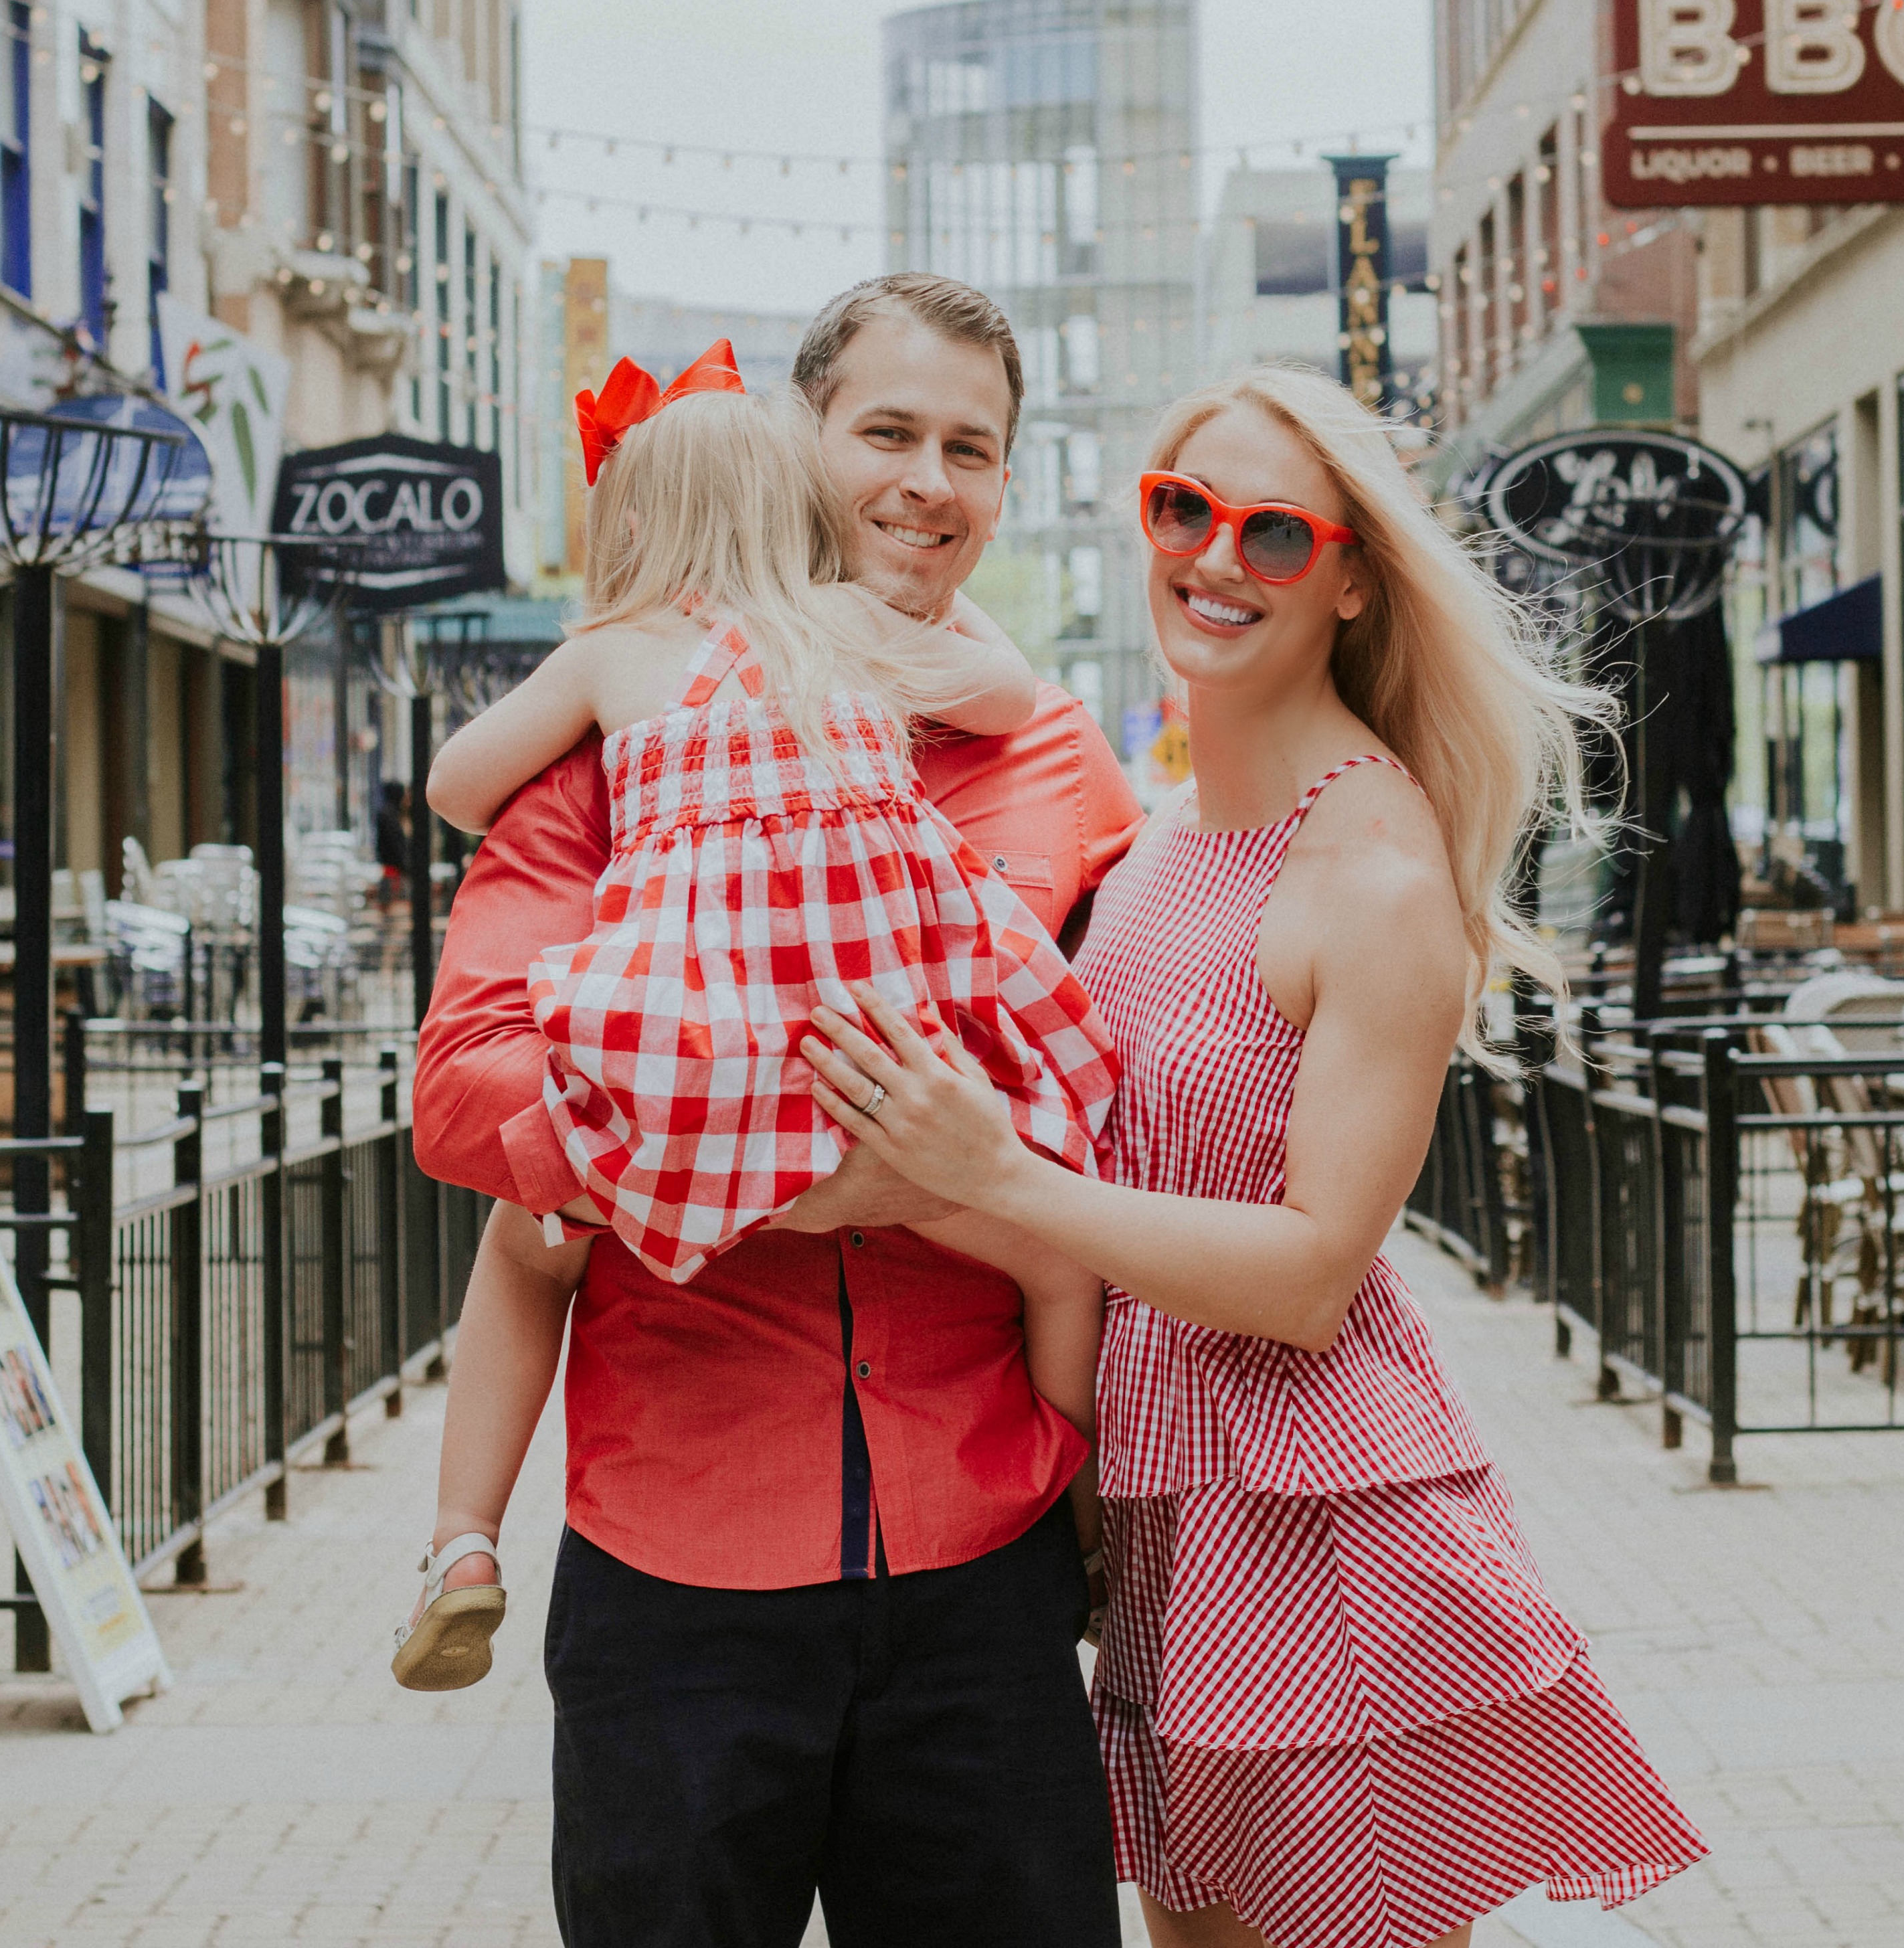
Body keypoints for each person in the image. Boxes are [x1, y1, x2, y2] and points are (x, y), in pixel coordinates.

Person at [802, 367, 1705, 1948]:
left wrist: (995, 1174)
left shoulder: (1372, 871)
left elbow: (1306, 1274)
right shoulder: (1158, 838)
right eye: (1182, 510)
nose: (1216, 559)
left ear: (1354, 575)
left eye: (1275, 533)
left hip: (1322, 1524)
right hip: (1167, 1515)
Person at [410, 273, 1146, 1947]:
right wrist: (751, 1164)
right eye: (886, 430)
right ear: (791, 446)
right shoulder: (616, 736)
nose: (927, 481)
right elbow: (461, 1088)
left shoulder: (1055, 761)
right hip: (677, 1566)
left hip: (987, 1555)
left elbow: (1148, 1085)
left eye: (973, 448)